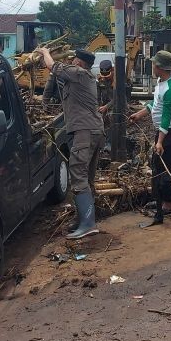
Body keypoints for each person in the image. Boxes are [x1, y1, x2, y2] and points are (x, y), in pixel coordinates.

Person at [39, 47, 104, 239]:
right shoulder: (81, 77)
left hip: (85, 132)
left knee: (78, 175)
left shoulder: (79, 73)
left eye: (74, 59)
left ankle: (88, 224)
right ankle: (84, 219)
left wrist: (44, 52)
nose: (71, 61)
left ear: (79, 63)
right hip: (92, 130)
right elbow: (54, 76)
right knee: (86, 178)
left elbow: (53, 66)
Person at [129, 51, 171, 227]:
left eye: (154, 64)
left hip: (170, 133)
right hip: (163, 132)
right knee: (158, 168)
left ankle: (168, 204)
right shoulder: (161, 82)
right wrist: (140, 114)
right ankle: (162, 201)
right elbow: (155, 104)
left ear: (159, 67)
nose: (152, 66)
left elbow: (166, 118)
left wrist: (160, 142)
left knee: (165, 171)